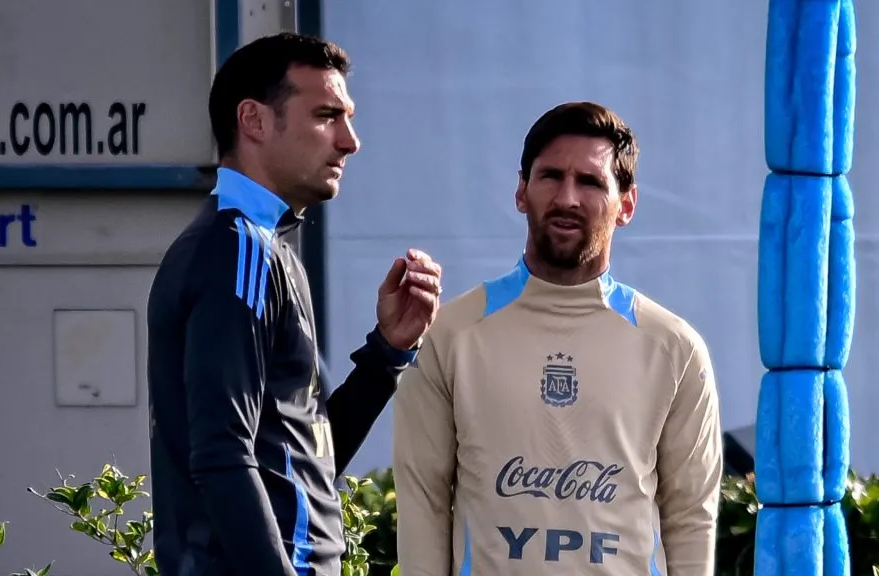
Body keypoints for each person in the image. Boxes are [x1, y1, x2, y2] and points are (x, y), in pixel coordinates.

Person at [146, 33, 442, 576]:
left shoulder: (259, 246)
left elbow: (304, 460)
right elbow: (221, 458)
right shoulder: (237, 250)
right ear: (254, 121)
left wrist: (386, 355)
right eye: (327, 115)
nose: (350, 141)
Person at [393, 101, 722, 576]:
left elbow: (692, 516)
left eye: (590, 182)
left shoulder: (674, 347)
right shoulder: (450, 334)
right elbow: (421, 500)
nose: (567, 198)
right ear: (522, 191)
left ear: (626, 204)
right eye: (550, 177)